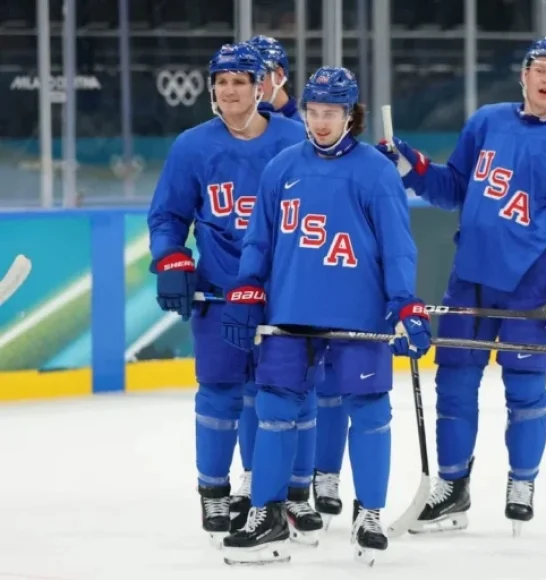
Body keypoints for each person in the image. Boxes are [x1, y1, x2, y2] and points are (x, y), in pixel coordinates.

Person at [374, 36, 546, 536]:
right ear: (524, 75)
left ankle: (523, 481)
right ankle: (453, 488)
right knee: (454, 384)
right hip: (470, 278)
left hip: (531, 285)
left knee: (525, 390)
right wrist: (413, 167)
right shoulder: (486, 122)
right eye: (539, 68)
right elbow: (455, 187)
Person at [219, 66, 430, 566]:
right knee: (274, 410)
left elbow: (398, 246)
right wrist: (249, 286)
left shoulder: (376, 172)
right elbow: (260, 238)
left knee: (370, 411)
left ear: (350, 115)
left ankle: (369, 514)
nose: (319, 122)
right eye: (312, 112)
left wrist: (404, 302)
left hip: (358, 314)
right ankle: (268, 513)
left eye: (330, 113)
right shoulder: (282, 166)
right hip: (291, 311)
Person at [146, 41, 307, 545]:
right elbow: (168, 216)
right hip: (219, 292)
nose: (229, 90)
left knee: (278, 395)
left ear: (262, 86)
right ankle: (212, 492)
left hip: (283, 293)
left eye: (240, 81)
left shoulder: (296, 140)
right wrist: (171, 257)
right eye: (221, 82)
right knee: (218, 392)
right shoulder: (193, 145)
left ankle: (270, 492)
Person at [227, 34, 325, 544]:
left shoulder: (302, 132)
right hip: (248, 280)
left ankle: (300, 490)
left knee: (300, 391)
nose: (255, 83)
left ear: (280, 76)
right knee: (251, 392)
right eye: (249, 75)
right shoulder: (224, 132)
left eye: (264, 73)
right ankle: (256, 481)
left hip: (296, 283)